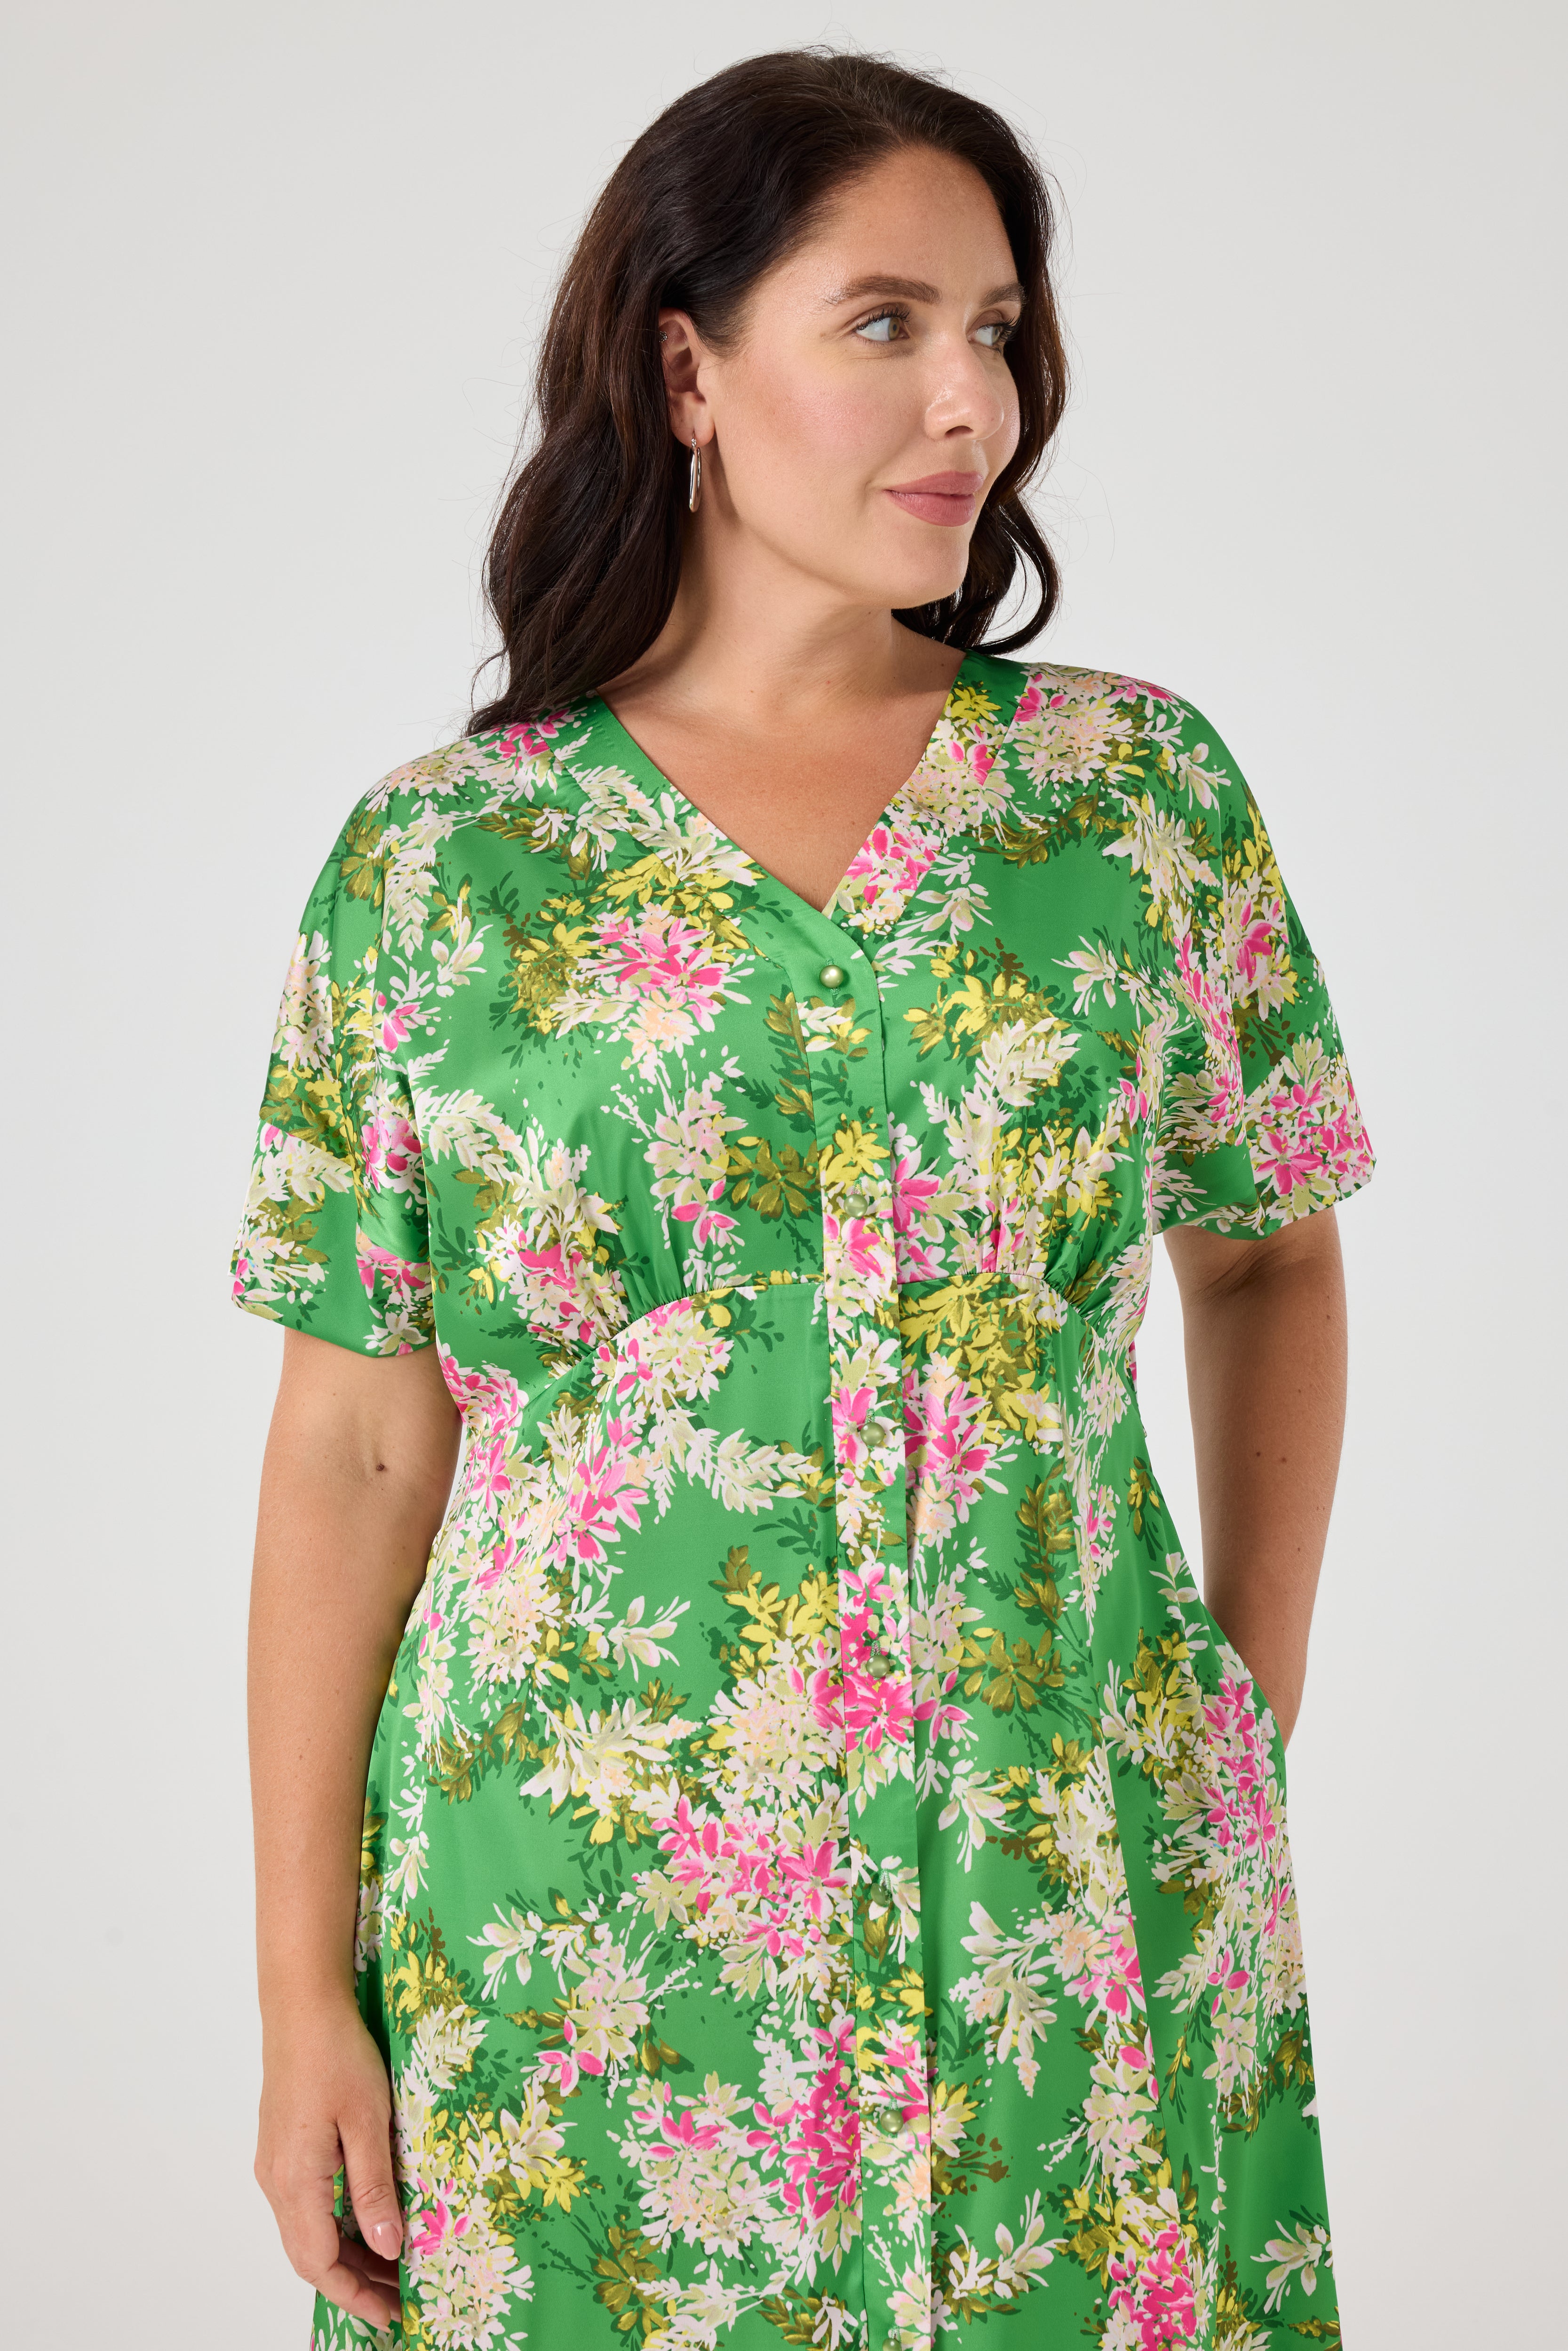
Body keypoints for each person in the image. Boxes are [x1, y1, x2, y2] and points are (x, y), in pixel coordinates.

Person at [234, 48, 1373, 2351]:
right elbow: (355, 1438)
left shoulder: (1132, 800)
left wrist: (1229, 1726)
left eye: (998, 329)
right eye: (886, 322)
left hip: (1066, 1888)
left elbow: (1267, 1253)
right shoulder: (441, 866)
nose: (974, 401)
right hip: (577, 1942)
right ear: (686, 370)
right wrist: (295, 1995)